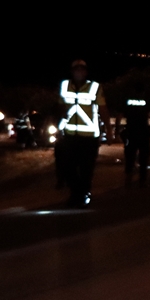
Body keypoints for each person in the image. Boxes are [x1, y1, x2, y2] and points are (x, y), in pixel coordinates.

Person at [55, 59, 105, 208]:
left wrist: (108, 131)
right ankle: (77, 193)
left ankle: (83, 195)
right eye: (76, 69)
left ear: (86, 72)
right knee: (67, 167)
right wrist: (59, 127)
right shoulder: (65, 86)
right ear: (72, 72)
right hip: (70, 135)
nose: (79, 72)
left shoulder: (95, 87)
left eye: (82, 69)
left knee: (86, 169)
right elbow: (61, 106)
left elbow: (103, 109)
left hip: (89, 137)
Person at [122, 88, 150, 187]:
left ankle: (128, 180)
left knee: (129, 156)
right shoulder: (147, 100)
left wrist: (118, 129)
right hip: (144, 132)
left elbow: (119, 116)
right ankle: (143, 180)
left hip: (131, 132)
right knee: (144, 157)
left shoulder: (128, 101)